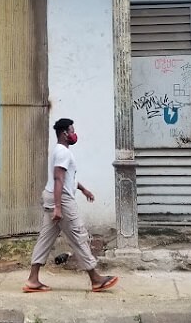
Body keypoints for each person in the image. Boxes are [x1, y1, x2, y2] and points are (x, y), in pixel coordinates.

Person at [23, 118, 119, 293]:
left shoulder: (60, 151)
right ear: (64, 133)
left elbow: (68, 178)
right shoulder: (63, 153)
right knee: (78, 236)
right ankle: (95, 278)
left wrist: (83, 189)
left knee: (45, 238)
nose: (74, 134)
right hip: (62, 200)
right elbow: (58, 178)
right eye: (72, 130)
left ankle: (33, 279)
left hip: (52, 196)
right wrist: (59, 207)